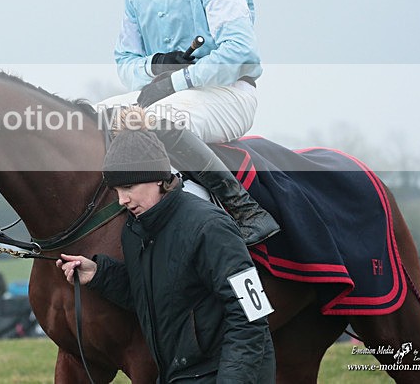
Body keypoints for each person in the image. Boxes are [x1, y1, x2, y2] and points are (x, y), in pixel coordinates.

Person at [99, 0, 279, 246]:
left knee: (158, 120)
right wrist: (156, 66)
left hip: (228, 95)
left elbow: (240, 51)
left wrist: (177, 79)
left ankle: (246, 210)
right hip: (161, 93)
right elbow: (124, 61)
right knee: (89, 115)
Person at [57, 123, 276, 382]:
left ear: (159, 178)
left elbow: (252, 315)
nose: (121, 200)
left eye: (128, 187)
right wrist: (99, 274)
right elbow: (154, 296)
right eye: (116, 190)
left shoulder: (211, 227)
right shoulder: (134, 231)